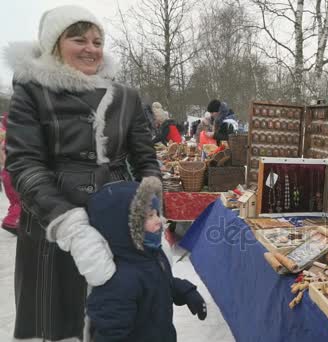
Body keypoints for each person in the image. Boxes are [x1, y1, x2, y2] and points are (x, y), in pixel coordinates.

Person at [4, 5, 161, 340]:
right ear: (54, 44)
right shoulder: (32, 92)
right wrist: (70, 226)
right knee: (63, 324)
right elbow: (24, 164)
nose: (91, 49)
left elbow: (146, 159)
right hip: (54, 225)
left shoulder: (126, 96)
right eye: (79, 40)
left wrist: (150, 203)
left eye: (97, 41)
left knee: (119, 319)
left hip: (117, 222)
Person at [86, 177, 207, 341]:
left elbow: (159, 282)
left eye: (157, 213)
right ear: (125, 225)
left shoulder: (152, 255)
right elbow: (110, 333)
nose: (158, 220)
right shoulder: (118, 279)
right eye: (149, 216)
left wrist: (185, 291)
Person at [0, 112, 20, 236]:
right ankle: (11, 222)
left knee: (14, 201)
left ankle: (13, 219)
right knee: (21, 201)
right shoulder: (14, 140)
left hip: (5, 173)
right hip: (13, 172)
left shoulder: (4, 139)